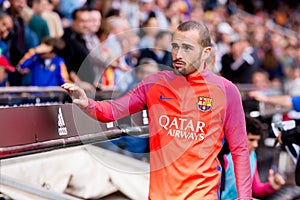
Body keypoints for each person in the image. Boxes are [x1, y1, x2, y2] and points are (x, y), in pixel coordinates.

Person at [62, 20, 252, 199]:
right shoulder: (154, 83)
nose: (178, 54)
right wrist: (87, 104)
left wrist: (245, 197)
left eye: (187, 48)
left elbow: (240, 149)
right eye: (175, 46)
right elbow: (111, 111)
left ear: (206, 52)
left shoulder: (227, 91)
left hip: (202, 193)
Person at [221, 115, 285, 199]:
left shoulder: (252, 155)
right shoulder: (224, 158)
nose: (256, 145)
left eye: (257, 140)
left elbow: (254, 188)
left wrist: (271, 186)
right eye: (251, 140)